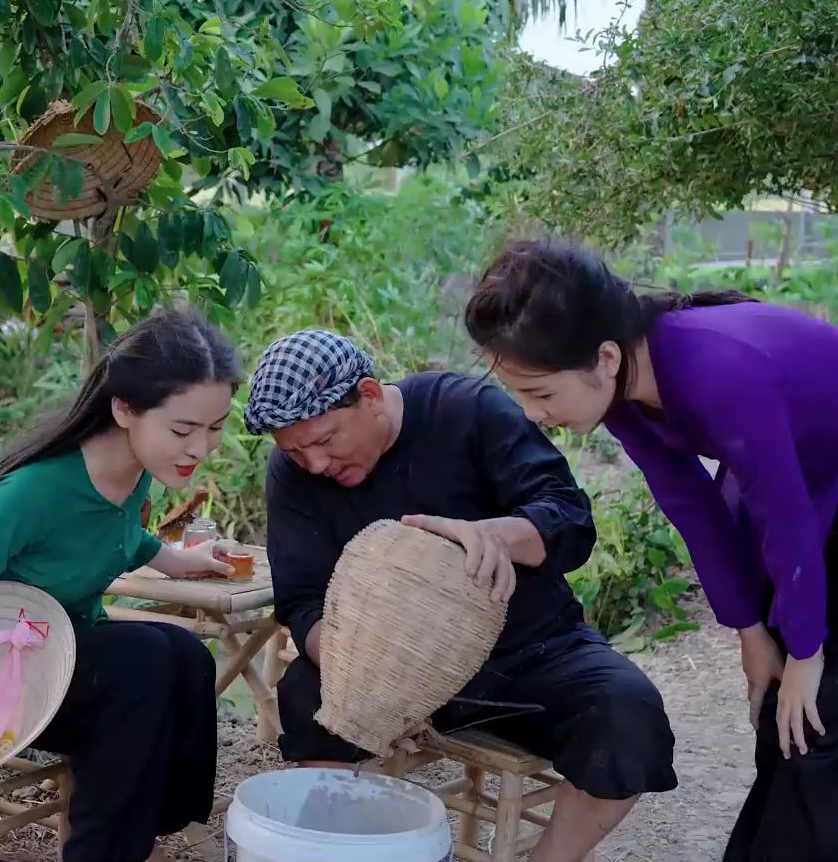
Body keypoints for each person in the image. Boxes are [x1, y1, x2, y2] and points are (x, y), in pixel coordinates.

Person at [463, 240, 838, 862]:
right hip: (820, 489)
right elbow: (695, 510)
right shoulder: (625, 390)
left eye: (543, 394)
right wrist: (750, 631)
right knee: (782, 717)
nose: (534, 414)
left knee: (826, 724)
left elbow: (782, 511)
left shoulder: (714, 367)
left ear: (604, 357)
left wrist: (805, 646)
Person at [245, 329, 678, 862]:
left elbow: (569, 517)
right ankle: (341, 848)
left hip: (528, 654)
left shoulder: (468, 409)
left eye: (326, 440)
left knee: (626, 712)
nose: (314, 464)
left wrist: (495, 536)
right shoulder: (294, 474)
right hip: (390, 664)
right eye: (295, 450)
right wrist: (368, 679)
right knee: (307, 694)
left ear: (372, 394)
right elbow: (302, 598)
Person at [0, 309, 241, 862]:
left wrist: (177, 558)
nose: (200, 448)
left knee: (187, 656)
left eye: (215, 427)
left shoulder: (142, 466)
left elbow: (120, 533)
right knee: (144, 661)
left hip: (68, 655)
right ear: (124, 408)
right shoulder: (27, 496)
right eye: (183, 429)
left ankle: (151, 826)